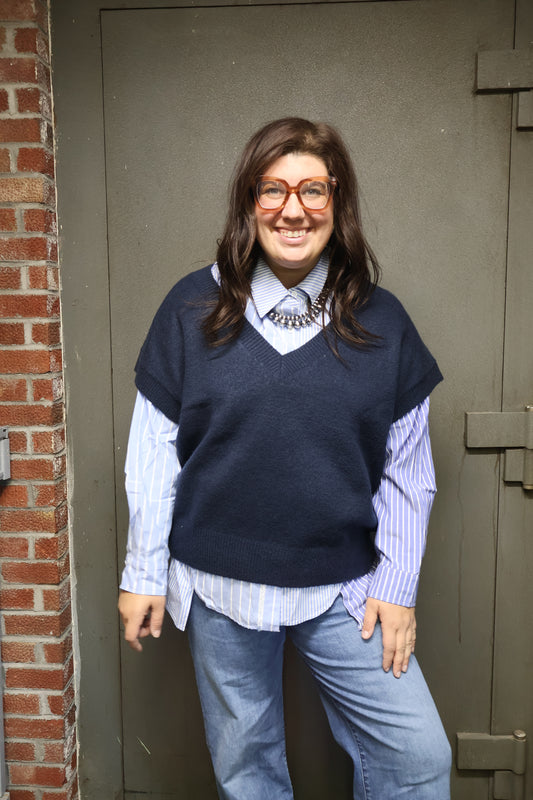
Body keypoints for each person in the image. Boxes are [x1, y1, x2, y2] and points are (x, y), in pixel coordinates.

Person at [118, 117, 452, 799]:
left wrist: (395, 589)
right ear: (247, 203)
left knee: (416, 758)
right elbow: (154, 451)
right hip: (218, 586)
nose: (292, 209)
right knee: (248, 771)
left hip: (342, 589)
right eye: (271, 190)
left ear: (337, 202)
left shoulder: (383, 324)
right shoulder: (190, 309)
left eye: (312, 190)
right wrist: (143, 572)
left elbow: (407, 473)